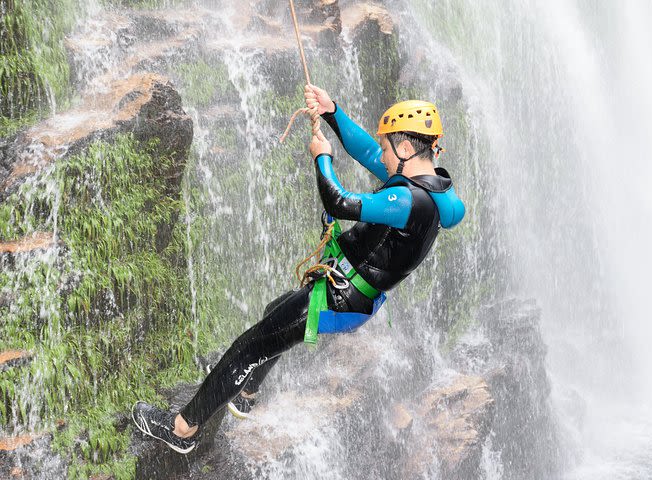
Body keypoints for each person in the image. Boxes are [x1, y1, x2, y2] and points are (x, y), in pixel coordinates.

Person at [132, 84, 466, 454]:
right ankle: (246, 393)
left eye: (387, 148)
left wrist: (322, 158)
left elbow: (338, 202)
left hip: (338, 298)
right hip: (356, 294)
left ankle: (183, 430)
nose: (382, 156)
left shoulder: (406, 199)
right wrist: (331, 111)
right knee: (275, 312)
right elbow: (366, 150)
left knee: (248, 347)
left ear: (405, 149)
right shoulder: (437, 194)